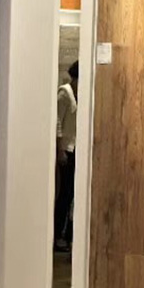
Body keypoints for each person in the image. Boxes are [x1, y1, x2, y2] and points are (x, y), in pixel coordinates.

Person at [54, 61, 78, 250]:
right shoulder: (65, 93)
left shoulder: (76, 94)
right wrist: (60, 149)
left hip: (74, 148)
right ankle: (57, 236)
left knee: (71, 193)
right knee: (65, 193)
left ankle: (67, 235)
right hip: (66, 150)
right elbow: (57, 122)